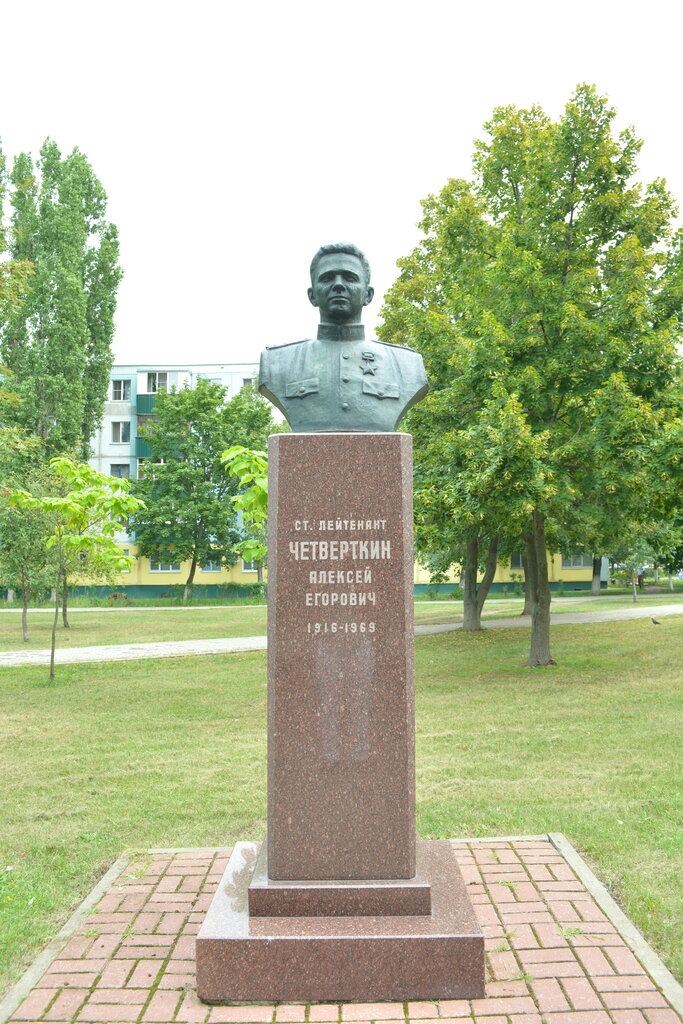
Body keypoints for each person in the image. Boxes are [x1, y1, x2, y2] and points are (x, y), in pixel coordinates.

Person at [258, 243, 428, 432]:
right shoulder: (278, 362)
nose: (338, 285)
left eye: (350, 278)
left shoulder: (406, 364)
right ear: (312, 295)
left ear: (368, 295)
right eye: (327, 278)